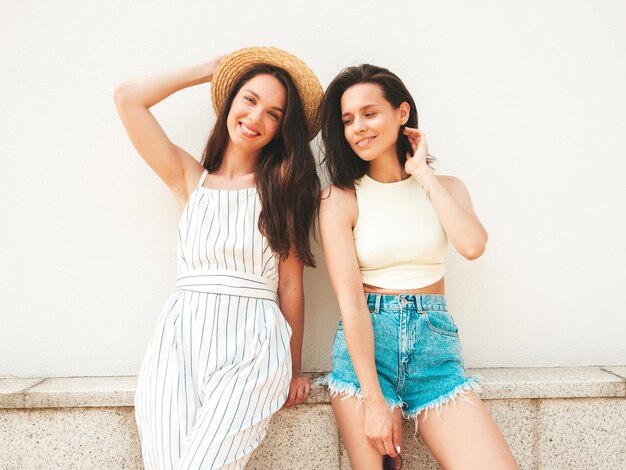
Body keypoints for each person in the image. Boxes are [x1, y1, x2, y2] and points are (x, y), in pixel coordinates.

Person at [114, 46, 322, 470]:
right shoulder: (189, 179)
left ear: (282, 129)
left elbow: (290, 283)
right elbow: (127, 97)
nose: (256, 118)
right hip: (179, 345)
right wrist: (213, 70)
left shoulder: (284, 187)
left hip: (254, 345)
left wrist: (293, 368)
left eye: (274, 114)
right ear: (230, 102)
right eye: (249, 99)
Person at [318, 64, 518, 469]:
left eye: (369, 113)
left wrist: (423, 173)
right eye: (347, 120)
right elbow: (351, 303)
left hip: (435, 351)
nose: (357, 127)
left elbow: (473, 245)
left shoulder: (447, 187)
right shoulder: (339, 199)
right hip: (368, 353)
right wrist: (373, 400)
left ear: (402, 113)